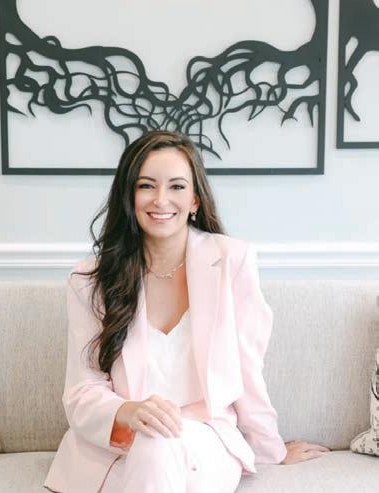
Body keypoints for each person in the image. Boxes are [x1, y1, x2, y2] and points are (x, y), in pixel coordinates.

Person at [44, 130, 331, 493]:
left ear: (195, 199)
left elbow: (247, 370)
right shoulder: (90, 280)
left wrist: (270, 449)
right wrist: (129, 411)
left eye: (177, 186)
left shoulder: (232, 261)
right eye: (146, 186)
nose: (161, 199)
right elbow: (82, 389)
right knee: (152, 443)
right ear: (129, 195)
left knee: (157, 444)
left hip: (204, 443)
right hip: (117, 450)